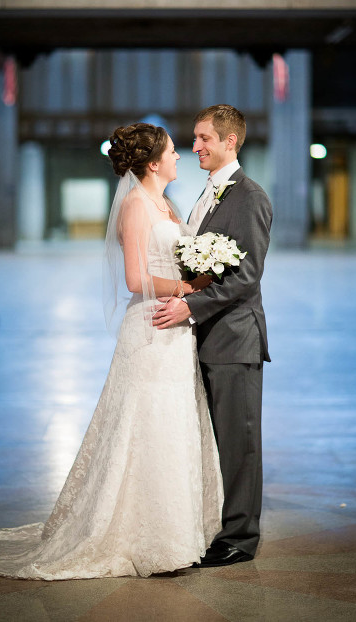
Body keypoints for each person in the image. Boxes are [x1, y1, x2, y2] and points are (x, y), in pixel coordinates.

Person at [0, 123, 223, 579]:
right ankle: (141, 533)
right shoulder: (137, 206)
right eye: (174, 151)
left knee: (172, 420)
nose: (181, 157)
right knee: (145, 423)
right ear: (153, 162)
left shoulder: (167, 204)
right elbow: (136, 280)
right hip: (152, 326)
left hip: (175, 327)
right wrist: (188, 286)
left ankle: (174, 530)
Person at [153, 105, 273, 567]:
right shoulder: (208, 194)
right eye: (195, 138)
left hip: (235, 339)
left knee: (240, 441)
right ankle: (215, 524)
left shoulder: (250, 197)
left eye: (204, 138)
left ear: (230, 142)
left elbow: (245, 278)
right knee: (213, 439)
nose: (196, 146)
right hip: (203, 337)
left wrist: (188, 305)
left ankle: (241, 538)